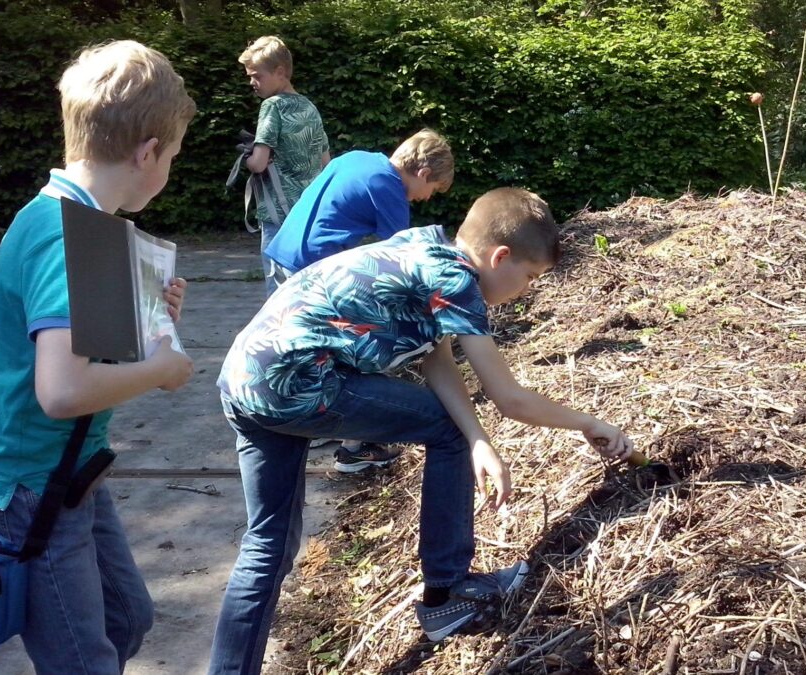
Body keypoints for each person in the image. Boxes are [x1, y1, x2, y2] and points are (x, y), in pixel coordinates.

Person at [209, 188, 633, 672]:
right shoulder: (457, 282)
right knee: (444, 427)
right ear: (500, 256)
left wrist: (478, 439)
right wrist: (588, 423)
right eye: (529, 276)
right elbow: (508, 397)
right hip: (299, 384)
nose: (527, 289)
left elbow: (437, 358)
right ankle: (446, 596)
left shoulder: (425, 249)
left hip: (245, 380)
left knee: (267, 548)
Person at [0, 40, 195, 671]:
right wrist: (161, 370)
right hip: (27, 484)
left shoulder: (72, 219)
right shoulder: (76, 237)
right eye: (172, 156)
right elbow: (62, 392)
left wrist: (147, 319)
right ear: (147, 152)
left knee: (127, 617)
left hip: (67, 472)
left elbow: (77, 346)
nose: (169, 168)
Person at [263, 128, 454, 471]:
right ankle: (355, 446)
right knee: (355, 342)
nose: (425, 199)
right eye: (432, 190)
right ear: (424, 173)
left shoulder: (358, 158)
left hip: (283, 252)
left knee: (296, 344)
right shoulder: (389, 187)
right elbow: (403, 257)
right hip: (309, 267)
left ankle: (307, 419)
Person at [238, 35, 330, 296]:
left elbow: (258, 163)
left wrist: (245, 157)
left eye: (256, 76)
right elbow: (326, 162)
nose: (252, 83)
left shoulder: (272, 106)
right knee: (308, 285)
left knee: (278, 289)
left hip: (278, 213)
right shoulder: (310, 107)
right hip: (309, 212)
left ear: (279, 72)